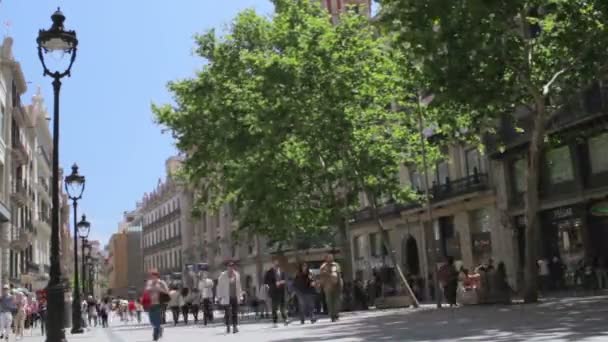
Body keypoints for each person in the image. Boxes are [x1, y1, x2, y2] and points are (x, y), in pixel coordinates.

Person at [217, 262, 242, 334]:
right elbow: (219, 287)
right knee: (227, 313)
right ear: (227, 267)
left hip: (234, 296)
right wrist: (219, 297)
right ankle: (228, 326)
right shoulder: (222, 275)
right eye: (229, 266)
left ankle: (235, 327)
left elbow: (239, 286)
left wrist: (240, 296)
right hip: (226, 296)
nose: (231, 268)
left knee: (235, 312)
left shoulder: (237, 274)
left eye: (232, 266)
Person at [145, 270, 169, 341]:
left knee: (158, 319)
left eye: (154, 276)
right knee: (152, 319)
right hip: (151, 303)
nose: (152, 277)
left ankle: (155, 334)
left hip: (159, 303)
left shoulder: (161, 282)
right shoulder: (149, 282)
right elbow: (146, 290)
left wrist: (160, 289)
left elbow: (167, 291)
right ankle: (159, 328)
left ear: (157, 276)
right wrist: (151, 288)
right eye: (151, 276)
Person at [264, 259, 288, 327]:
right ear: (272, 264)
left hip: (281, 291)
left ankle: (285, 319)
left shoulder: (282, 271)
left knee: (282, 306)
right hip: (273, 292)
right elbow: (266, 282)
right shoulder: (269, 272)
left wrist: (281, 282)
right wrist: (273, 284)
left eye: (277, 265)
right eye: (275, 264)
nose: (276, 266)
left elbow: (285, 279)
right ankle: (275, 322)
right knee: (274, 307)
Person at [320, 254, 343, 322]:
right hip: (327, 286)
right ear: (326, 259)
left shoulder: (336, 265)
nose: (330, 259)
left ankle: (336, 314)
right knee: (329, 302)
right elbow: (321, 276)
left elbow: (339, 274)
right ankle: (332, 316)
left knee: (337, 301)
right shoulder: (323, 266)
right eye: (329, 258)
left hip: (336, 285)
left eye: (331, 258)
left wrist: (340, 284)